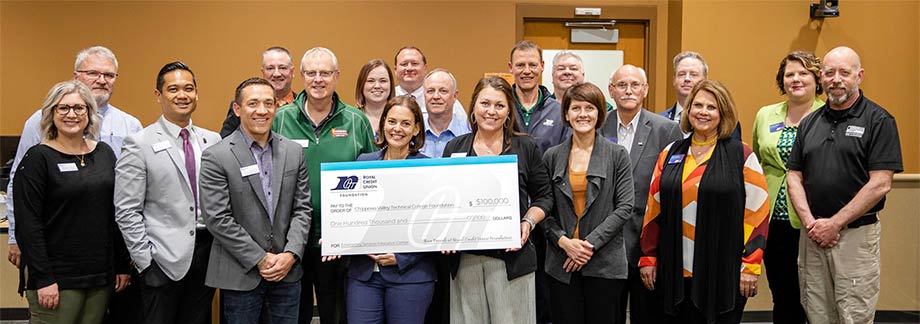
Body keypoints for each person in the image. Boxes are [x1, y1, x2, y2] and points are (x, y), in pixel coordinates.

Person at [786, 46, 902, 324]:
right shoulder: (809, 122)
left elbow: (880, 184)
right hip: (812, 236)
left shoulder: (879, 121)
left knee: (854, 316)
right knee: (815, 314)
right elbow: (794, 176)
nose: (836, 79)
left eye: (844, 73)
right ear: (822, 78)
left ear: (859, 76)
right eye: (829, 73)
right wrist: (811, 223)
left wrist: (834, 224)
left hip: (855, 238)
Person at [639, 80, 769, 324]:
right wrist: (648, 257)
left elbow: (757, 214)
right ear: (688, 111)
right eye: (697, 105)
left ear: (723, 113)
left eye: (712, 107)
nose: (703, 112)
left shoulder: (741, 155)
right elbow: (653, 210)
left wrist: (750, 265)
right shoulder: (670, 153)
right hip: (674, 270)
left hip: (723, 271)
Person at [6, 45, 142, 270]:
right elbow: (17, 184)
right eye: (93, 73)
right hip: (57, 237)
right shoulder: (41, 121)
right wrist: (14, 235)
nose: (101, 80)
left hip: (113, 239)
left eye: (108, 75)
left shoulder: (130, 126)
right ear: (76, 76)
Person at [272, 47, 377, 324]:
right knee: (295, 315)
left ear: (337, 76)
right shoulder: (281, 118)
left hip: (340, 241)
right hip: (291, 240)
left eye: (325, 73)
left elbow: (373, 178)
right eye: (312, 73)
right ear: (302, 76)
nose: (318, 79)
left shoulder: (356, 121)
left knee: (337, 315)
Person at [13, 80, 131, 324]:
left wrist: (121, 265)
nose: (72, 115)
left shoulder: (104, 154)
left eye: (79, 108)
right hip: (56, 277)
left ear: (90, 113)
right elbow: (28, 224)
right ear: (51, 113)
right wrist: (43, 278)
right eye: (63, 108)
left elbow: (115, 213)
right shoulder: (38, 158)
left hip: (99, 274)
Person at [113, 62, 221, 324]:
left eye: (188, 88)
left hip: (207, 253)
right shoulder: (139, 143)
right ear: (158, 95)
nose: (182, 95)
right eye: (173, 89)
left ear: (196, 94)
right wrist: (145, 261)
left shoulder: (212, 140)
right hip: (161, 258)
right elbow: (127, 209)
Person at [200, 77, 312, 324]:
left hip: (287, 273)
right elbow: (217, 219)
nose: (262, 110)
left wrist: (291, 253)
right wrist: (261, 258)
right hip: (241, 274)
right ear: (237, 109)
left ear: (276, 107)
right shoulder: (216, 157)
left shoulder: (293, 152)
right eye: (253, 103)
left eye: (268, 104)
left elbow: (302, 208)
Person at [442, 76, 552, 324]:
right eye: (485, 103)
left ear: (508, 111)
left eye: (499, 105)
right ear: (473, 107)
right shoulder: (454, 148)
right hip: (465, 260)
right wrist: (445, 232)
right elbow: (446, 200)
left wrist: (527, 222)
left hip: (513, 261)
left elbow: (544, 196)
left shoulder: (525, 147)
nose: (491, 111)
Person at [542, 82, 634, 324]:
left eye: (590, 108)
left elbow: (625, 207)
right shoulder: (551, 156)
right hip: (562, 263)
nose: (582, 114)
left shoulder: (617, 155)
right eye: (576, 108)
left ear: (599, 113)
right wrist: (564, 242)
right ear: (566, 114)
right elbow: (544, 207)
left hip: (604, 265)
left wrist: (587, 245)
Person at [599, 64, 683, 324]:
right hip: (604, 243)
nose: (628, 90)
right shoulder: (598, 125)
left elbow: (673, 187)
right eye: (621, 85)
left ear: (645, 90)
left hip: (647, 241)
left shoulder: (666, 129)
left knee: (647, 316)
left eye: (635, 85)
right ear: (611, 90)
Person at [347, 96, 436, 324]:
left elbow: (434, 225)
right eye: (392, 121)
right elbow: (351, 215)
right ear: (383, 123)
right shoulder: (362, 163)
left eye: (406, 123)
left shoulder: (429, 169)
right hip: (364, 274)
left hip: (411, 275)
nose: (397, 129)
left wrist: (402, 257)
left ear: (416, 129)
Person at [751, 51, 824, 324]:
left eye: (803, 73)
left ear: (817, 79)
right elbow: (757, 159)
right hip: (773, 219)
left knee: (815, 294)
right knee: (782, 293)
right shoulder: (766, 114)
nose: (796, 79)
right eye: (790, 74)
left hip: (814, 220)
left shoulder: (828, 115)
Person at [220, 46, 298, 138]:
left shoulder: (303, 106)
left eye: (282, 68)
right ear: (263, 72)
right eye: (270, 68)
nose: (276, 74)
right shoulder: (243, 106)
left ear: (292, 72)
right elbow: (226, 141)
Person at [661, 51, 741, 140]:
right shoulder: (659, 121)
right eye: (681, 74)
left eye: (693, 74)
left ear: (705, 80)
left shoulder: (724, 121)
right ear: (674, 80)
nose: (687, 79)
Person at [393, 46, 467, 123]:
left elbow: (464, 130)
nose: (409, 68)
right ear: (395, 69)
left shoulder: (447, 100)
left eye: (414, 63)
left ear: (425, 68)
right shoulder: (388, 98)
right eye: (404, 64)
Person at [421, 68, 471, 158]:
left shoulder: (469, 132)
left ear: (455, 96)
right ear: (424, 95)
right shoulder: (413, 133)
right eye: (430, 91)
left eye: (443, 91)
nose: (436, 96)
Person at [354, 59, 395, 137]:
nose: (377, 86)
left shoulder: (400, 118)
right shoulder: (352, 119)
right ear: (361, 85)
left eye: (383, 81)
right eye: (370, 81)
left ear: (391, 85)